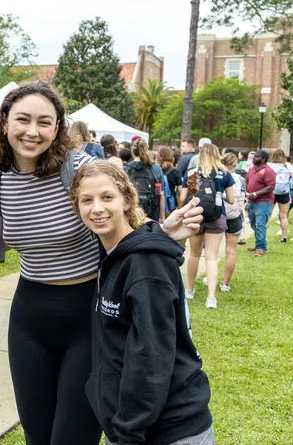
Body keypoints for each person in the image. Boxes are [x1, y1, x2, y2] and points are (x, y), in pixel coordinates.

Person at [0, 81, 203, 445]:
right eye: (22, 119)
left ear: (57, 128)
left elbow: (116, 213)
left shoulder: (77, 167)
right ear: (4, 123)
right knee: (38, 436)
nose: (32, 132)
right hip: (29, 316)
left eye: (44, 122)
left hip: (86, 316)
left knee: (73, 438)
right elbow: (2, 238)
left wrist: (159, 233)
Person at [70, 161, 214, 445]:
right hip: (133, 425)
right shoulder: (115, 254)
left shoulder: (145, 265)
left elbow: (151, 358)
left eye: (107, 197)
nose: (96, 208)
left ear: (127, 199)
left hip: (166, 430)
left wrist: (128, 433)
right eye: (86, 200)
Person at [183, 145, 235, 308]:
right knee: (211, 257)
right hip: (216, 216)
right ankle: (211, 298)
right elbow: (232, 199)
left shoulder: (192, 171)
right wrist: (218, 197)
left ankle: (190, 290)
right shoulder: (224, 172)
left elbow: (184, 196)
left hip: (196, 215)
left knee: (194, 254)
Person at [123, 139, 165, 221]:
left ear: (133, 151)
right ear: (147, 150)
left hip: (131, 210)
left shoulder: (126, 168)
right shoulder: (155, 168)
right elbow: (160, 193)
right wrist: (162, 215)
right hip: (152, 212)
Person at [221, 153, 245, 291]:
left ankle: (211, 276)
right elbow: (243, 197)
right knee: (231, 251)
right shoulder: (240, 179)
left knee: (212, 252)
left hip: (219, 215)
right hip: (235, 215)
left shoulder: (219, 176)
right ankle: (225, 283)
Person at [245, 149, 276, 256]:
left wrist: (256, 194)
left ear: (263, 159)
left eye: (257, 157)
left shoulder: (268, 171)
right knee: (253, 223)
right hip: (251, 201)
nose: (254, 158)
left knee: (260, 225)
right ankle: (260, 244)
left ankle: (261, 247)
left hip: (263, 201)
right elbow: (247, 182)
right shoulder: (251, 169)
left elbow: (270, 187)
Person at [270, 149, 293, 244]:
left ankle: (262, 237)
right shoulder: (288, 165)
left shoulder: (270, 165)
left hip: (271, 191)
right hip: (284, 192)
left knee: (268, 215)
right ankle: (284, 237)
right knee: (284, 216)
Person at [159, 146, 182, 210]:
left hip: (157, 203)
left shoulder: (156, 169)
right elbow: (180, 191)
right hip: (171, 203)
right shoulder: (176, 172)